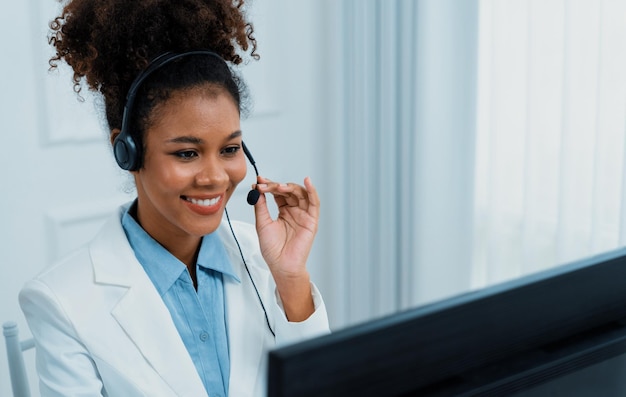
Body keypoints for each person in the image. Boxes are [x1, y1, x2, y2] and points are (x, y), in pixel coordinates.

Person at [18, 1, 330, 396]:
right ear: (127, 152)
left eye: (230, 149)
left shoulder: (262, 257)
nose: (216, 177)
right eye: (187, 153)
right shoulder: (61, 300)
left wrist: (290, 279)